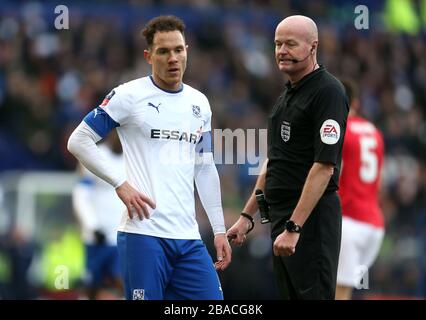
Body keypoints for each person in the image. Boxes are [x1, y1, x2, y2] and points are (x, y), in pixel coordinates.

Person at [67, 15, 231, 300]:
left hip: (188, 237)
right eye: (163, 51)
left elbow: (205, 168)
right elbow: (79, 141)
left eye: (178, 50)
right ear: (148, 55)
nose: (173, 58)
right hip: (143, 235)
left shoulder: (199, 103)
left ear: (187, 51)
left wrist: (218, 230)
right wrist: (121, 183)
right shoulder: (128, 96)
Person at [227, 15, 349, 299]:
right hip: (283, 221)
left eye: (291, 44)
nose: (282, 50)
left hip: (311, 223)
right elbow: (275, 162)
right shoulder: (287, 95)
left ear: (313, 46)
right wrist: (247, 215)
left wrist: (295, 227)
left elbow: (324, 167)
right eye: (278, 43)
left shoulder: (328, 92)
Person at [335, 80, 385, 300]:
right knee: (345, 290)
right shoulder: (374, 131)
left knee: (337, 293)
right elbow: (378, 183)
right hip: (374, 225)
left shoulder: (339, 131)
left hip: (349, 223)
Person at [72, 130, 125, 300]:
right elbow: (81, 194)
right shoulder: (94, 155)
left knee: (123, 285)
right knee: (90, 287)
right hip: (96, 238)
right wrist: (92, 226)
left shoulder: (134, 159)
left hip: (122, 237)